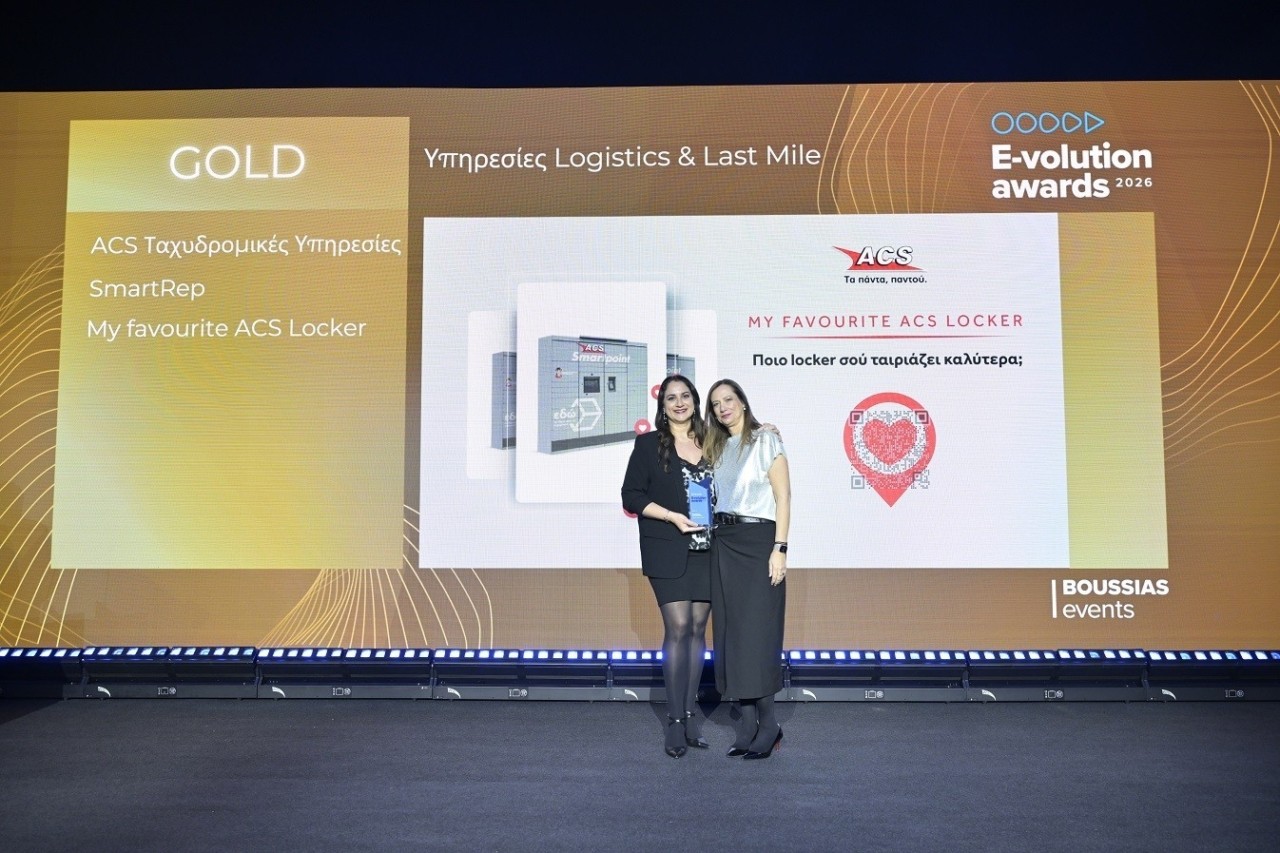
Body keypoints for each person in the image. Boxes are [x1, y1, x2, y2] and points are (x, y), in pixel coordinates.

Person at [621, 374, 714, 758]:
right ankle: (675, 720)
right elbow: (631, 496)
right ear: (663, 406)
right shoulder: (649, 445)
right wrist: (671, 516)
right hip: (667, 549)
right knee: (677, 628)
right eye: (671, 398)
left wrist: (765, 430)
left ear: (694, 400)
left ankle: (690, 715)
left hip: (710, 550)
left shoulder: (714, 442)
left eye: (685, 395)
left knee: (697, 630)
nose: (679, 403)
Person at [704, 378, 790, 760]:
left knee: (757, 634)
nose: (723, 407)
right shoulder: (716, 448)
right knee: (732, 634)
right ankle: (748, 724)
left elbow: (783, 497)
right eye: (716, 403)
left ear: (742, 401)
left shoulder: (766, 440)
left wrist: (780, 549)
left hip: (758, 543)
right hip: (724, 542)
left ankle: (769, 724)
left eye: (728, 399)